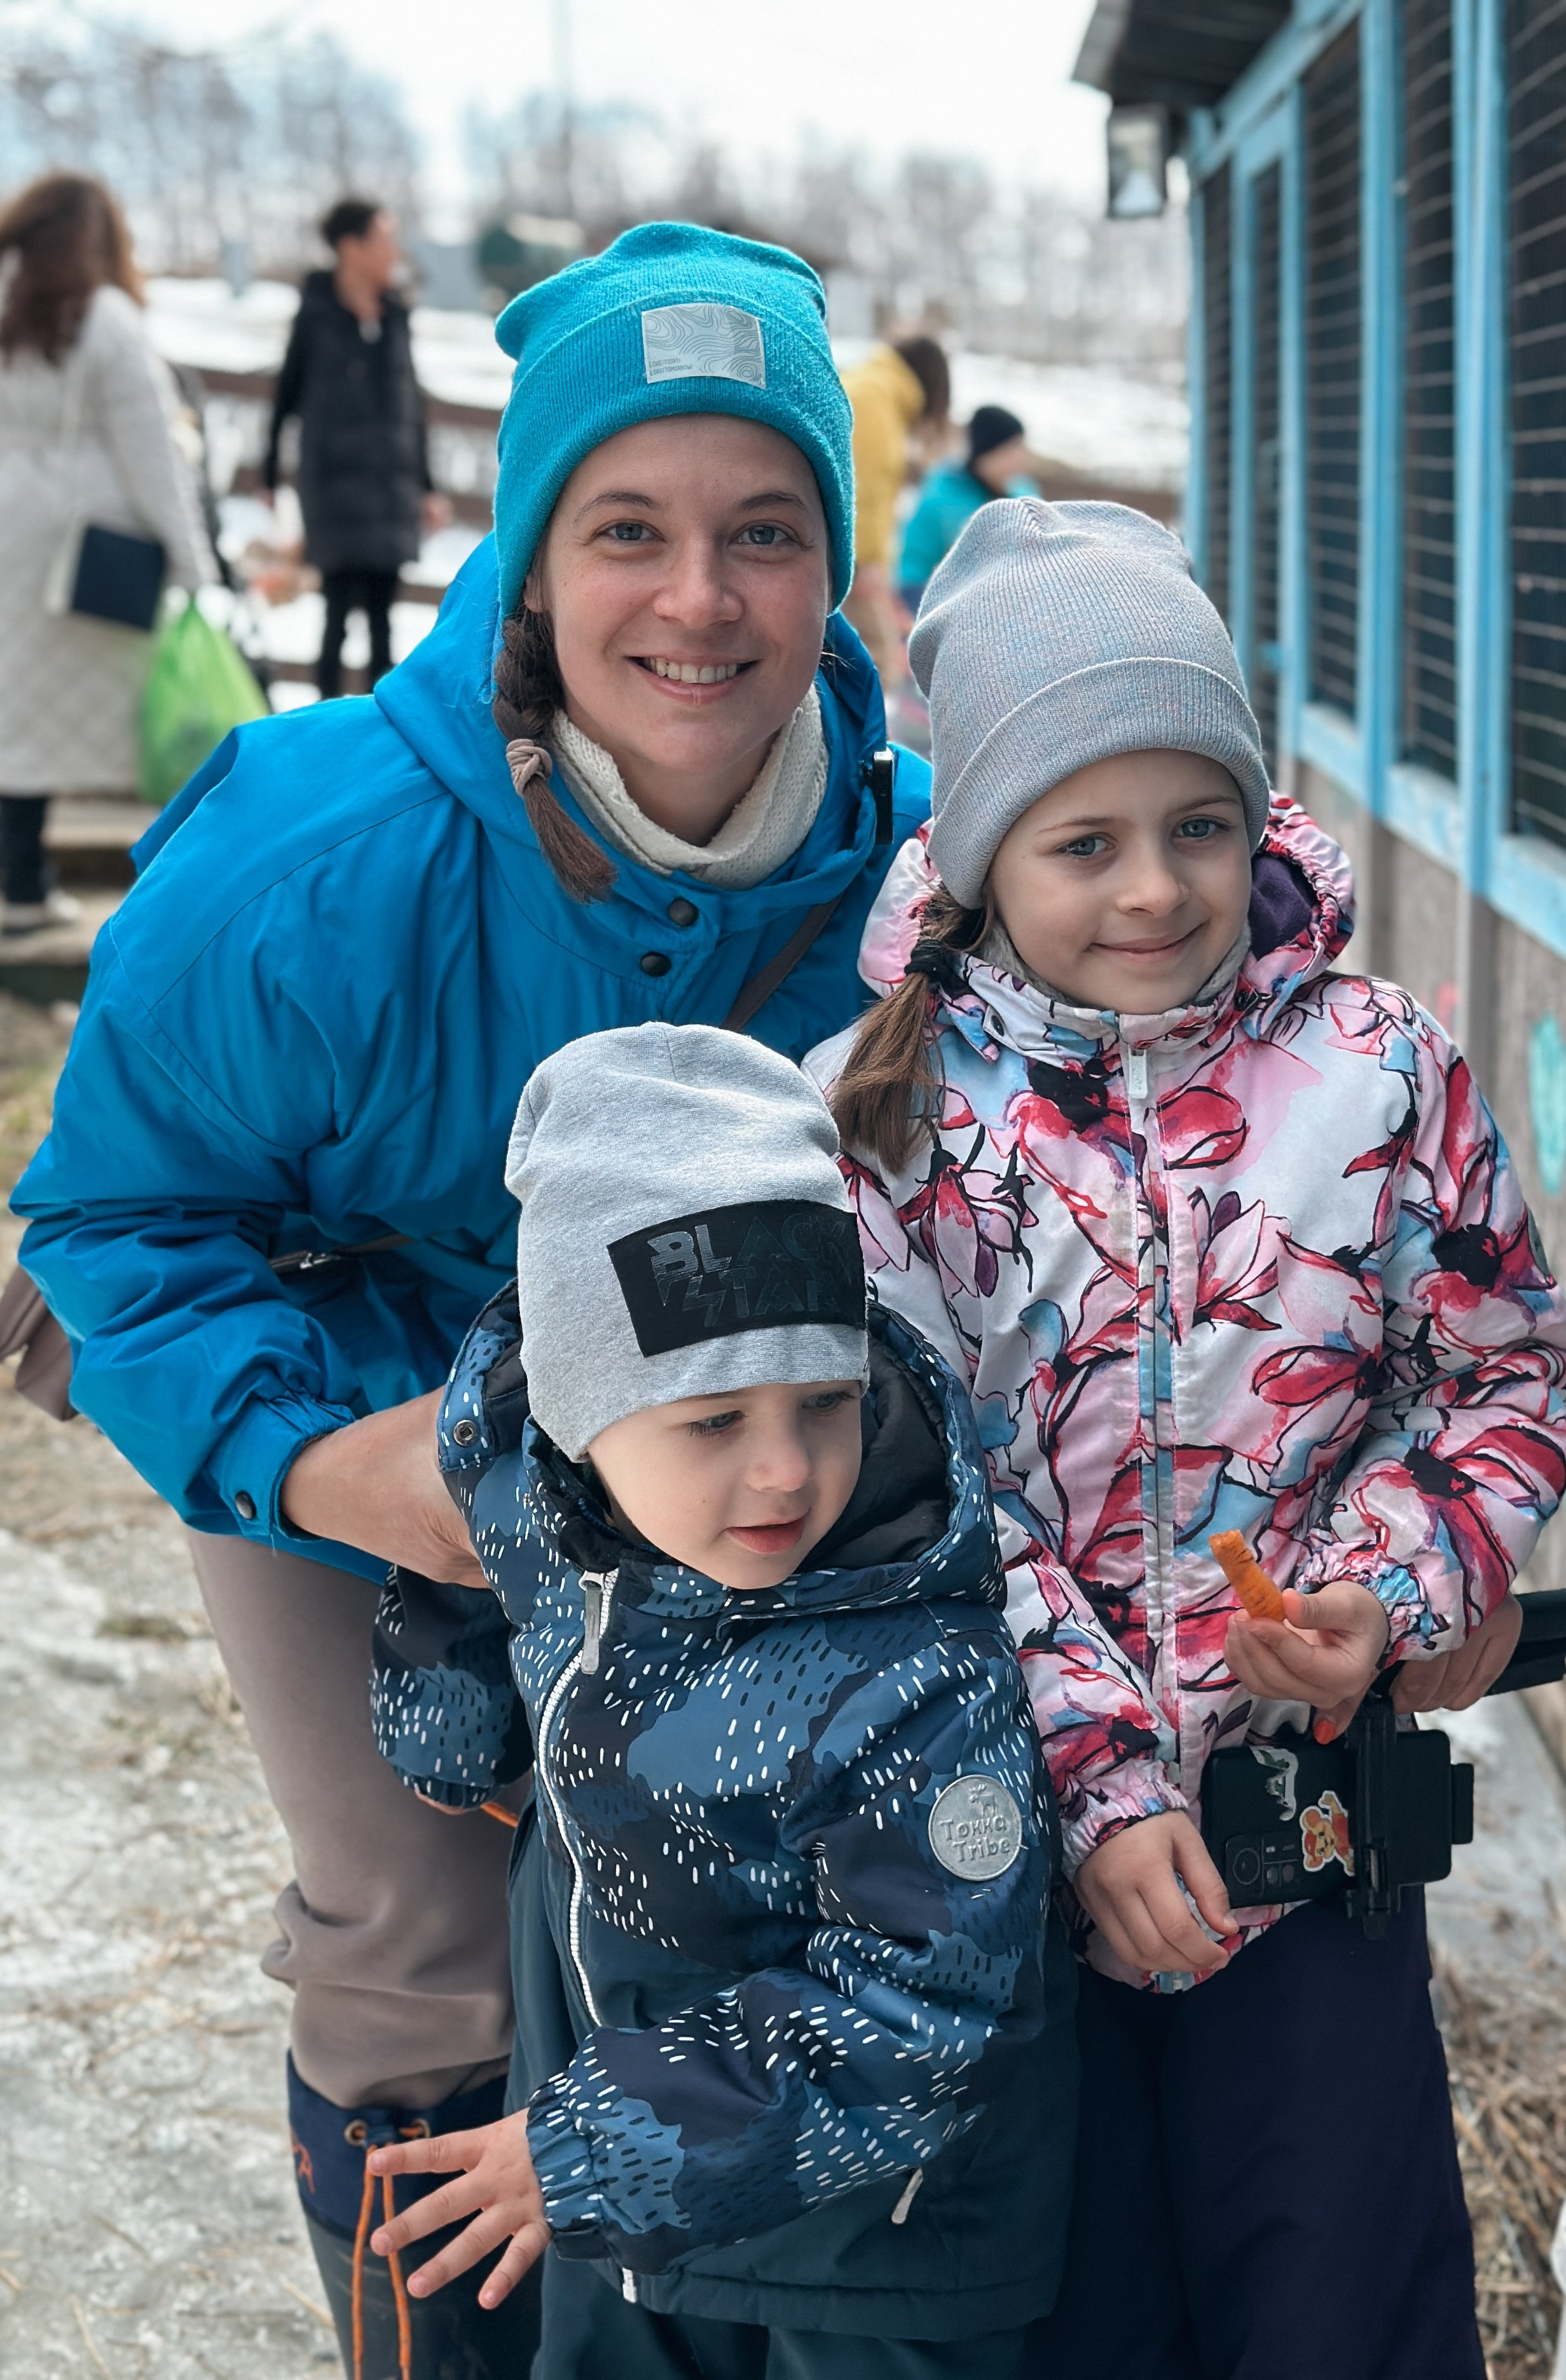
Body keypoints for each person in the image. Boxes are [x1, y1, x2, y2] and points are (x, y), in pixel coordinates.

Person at [12, 221, 930, 2378]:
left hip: (724, 1451)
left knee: (752, 1913)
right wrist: (336, 1463)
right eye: (627, 528)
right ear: (527, 557)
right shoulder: (314, 857)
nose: (696, 600)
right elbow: (114, 1218)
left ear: (829, 573)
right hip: (345, 1390)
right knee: (429, 1927)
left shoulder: (912, 892)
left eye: (763, 534)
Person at [809, 498, 1566, 2379]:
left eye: (1196, 826)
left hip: (1307, 1830)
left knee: (1335, 2296)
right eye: (1083, 840)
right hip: (1007, 1873)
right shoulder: (887, 1122)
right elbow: (909, 1502)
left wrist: (1378, 1593)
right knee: (1079, 2315)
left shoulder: (1378, 1070)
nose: (1151, 887)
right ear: (983, 858)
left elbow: (1496, 1371)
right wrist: (1095, 1787)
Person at [362, 1021, 1076, 2375]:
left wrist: (591, 2153)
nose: (783, 1475)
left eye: (823, 1401)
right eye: (711, 1422)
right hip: (626, 2185)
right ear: (577, 1411)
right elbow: (480, 1551)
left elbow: (938, 2007)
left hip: (870, 2253)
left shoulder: (911, 1672)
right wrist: (450, 1720)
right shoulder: (532, 1454)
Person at [0, 173, 213, 933]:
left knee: (15, 710)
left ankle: (20, 879)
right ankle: (173, 901)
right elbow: (151, 453)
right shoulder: (107, 318)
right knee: (149, 715)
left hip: (10, 531)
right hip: (90, 542)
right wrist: (195, 564)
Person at [263, 196, 444, 701]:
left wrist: (427, 487)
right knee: (336, 617)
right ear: (351, 246)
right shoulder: (316, 314)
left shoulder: (396, 315)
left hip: (390, 486)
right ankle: (326, 729)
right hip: (334, 487)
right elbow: (285, 396)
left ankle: (381, 734)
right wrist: (268, 473)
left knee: (385, 622)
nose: (392, 250)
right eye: (383, 238)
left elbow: (413, 403)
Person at [839, 335, 948, 689]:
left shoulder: (876, 387)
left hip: (850, 550)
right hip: (853, 555)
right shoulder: (876, 399)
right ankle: (864, 744)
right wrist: (868, 560)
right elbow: (864, 485)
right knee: (880, 660)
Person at [896, 405, 1037, 613]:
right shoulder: (940, 500)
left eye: (1021, 448)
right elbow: (912, 570)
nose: (1020, 459)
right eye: (1011, 449)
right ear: (987, 452)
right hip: (950, 609)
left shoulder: (1024, 494)